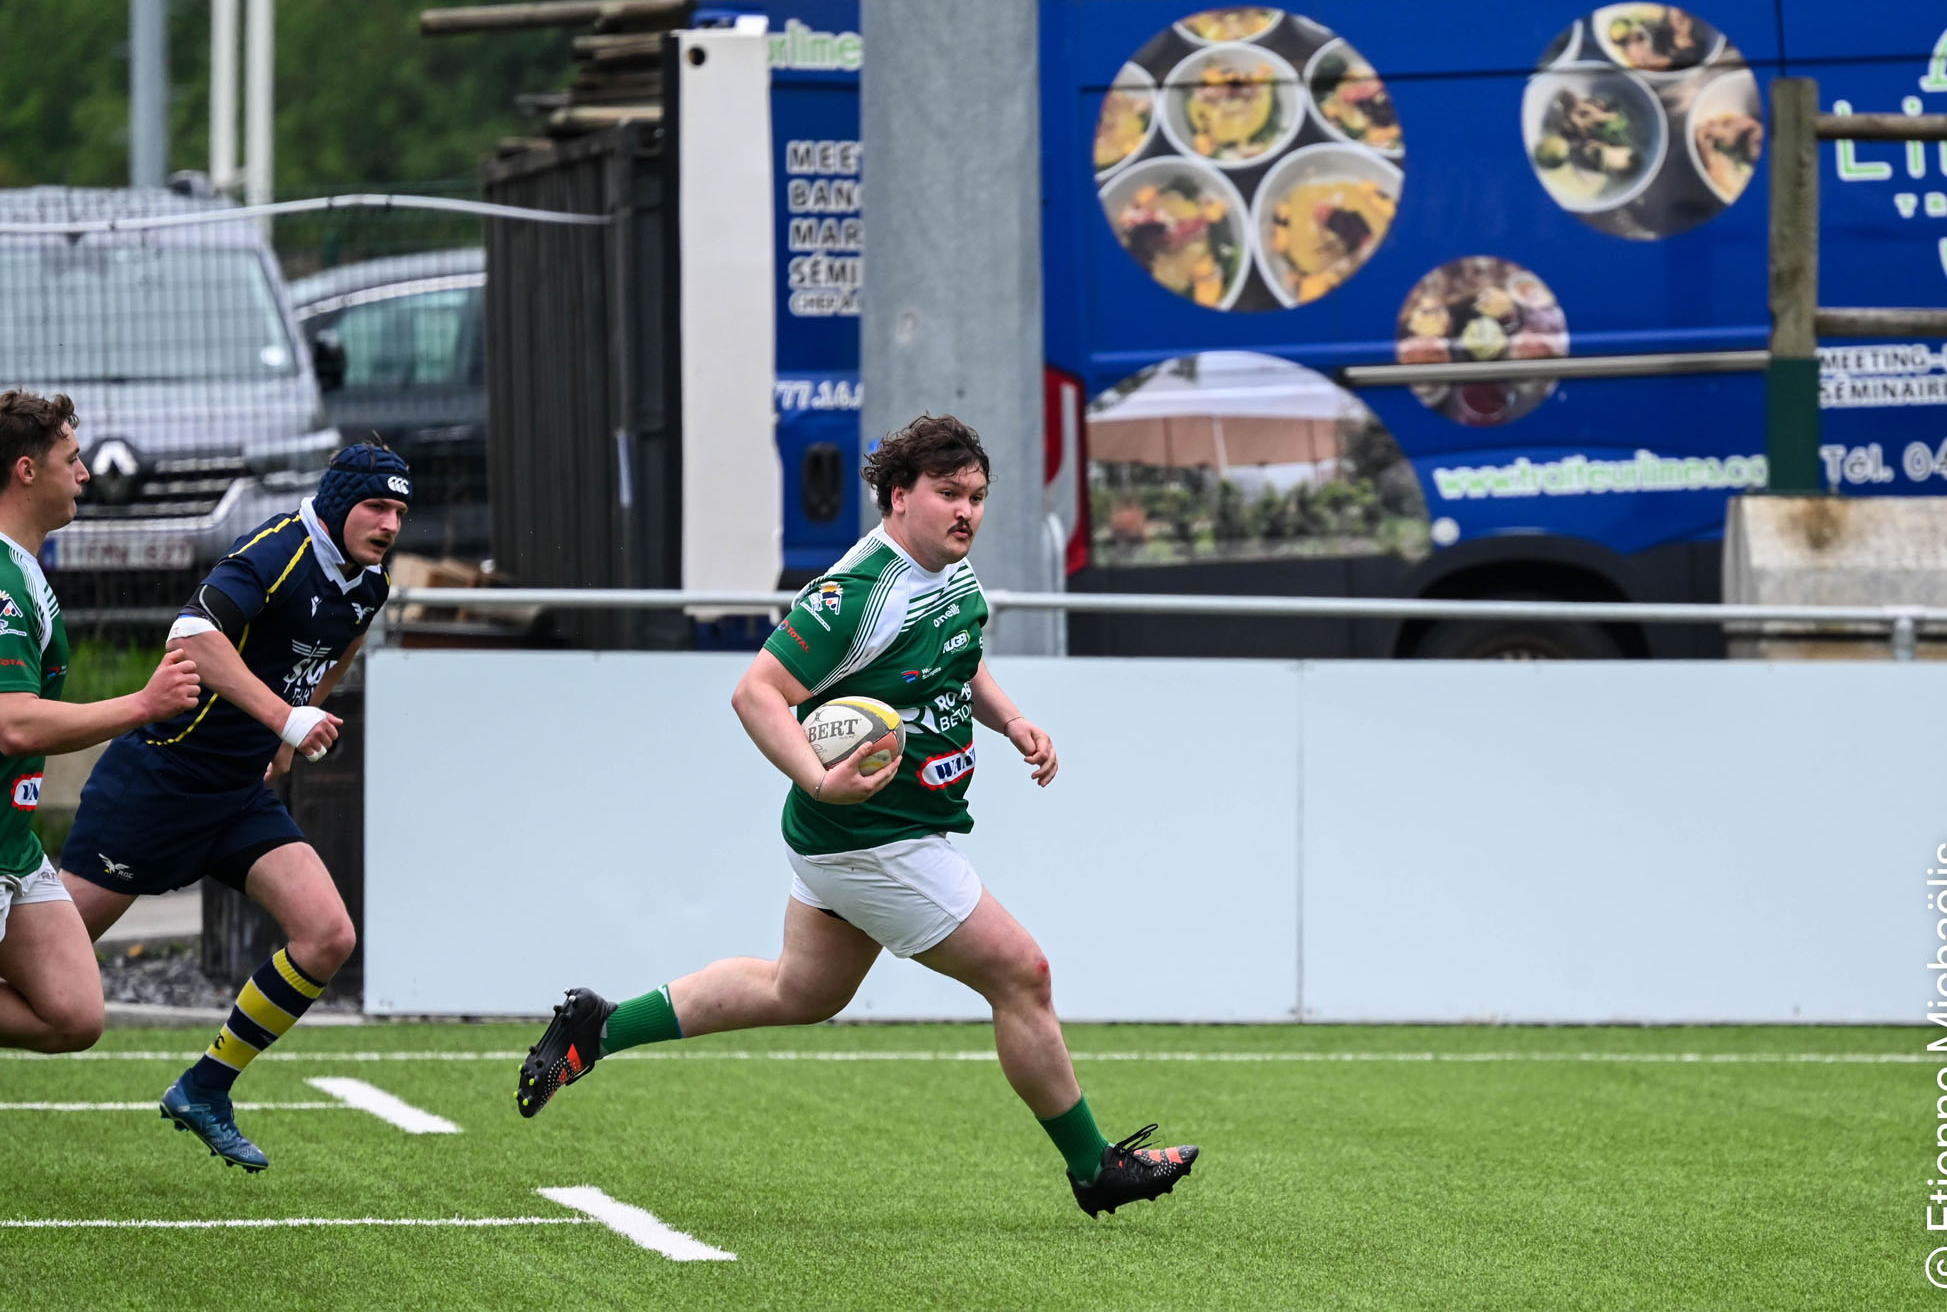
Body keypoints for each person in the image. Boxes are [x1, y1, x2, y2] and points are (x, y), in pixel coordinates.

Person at [517, 413, 1198, 1217]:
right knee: (1024, 973)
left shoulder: (953, 573)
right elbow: (756, 692)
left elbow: (962, 656)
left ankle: (598, 1028)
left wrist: (1012, 720)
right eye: (949, 493)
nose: (967, 511)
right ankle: (1094, 1167)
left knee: (799, 990)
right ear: (899, 495)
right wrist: (817, 777)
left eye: (977, 496)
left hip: (866, 837)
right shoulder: (857, 595)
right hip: (875, 841)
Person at [60, 442, 410, 1172]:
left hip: (237, 795)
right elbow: (190, 636)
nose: (389, 524)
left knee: (328, 935)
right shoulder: (278, 550)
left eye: (400, 512)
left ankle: (205, 1088)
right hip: (160, 783)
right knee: (45, 961)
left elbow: (339, 649)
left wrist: (287, 732)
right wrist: (285, 717)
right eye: (377, 506)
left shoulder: (370, 581)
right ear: (340, 504)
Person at [0, 390, 201, 1053]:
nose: (87, 474)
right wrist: (144, 703)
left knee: (75, 1011)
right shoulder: (2, 583)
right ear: (27, 471)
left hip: (13, 843)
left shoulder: (24, 569)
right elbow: (13, 724)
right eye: (73, 459)